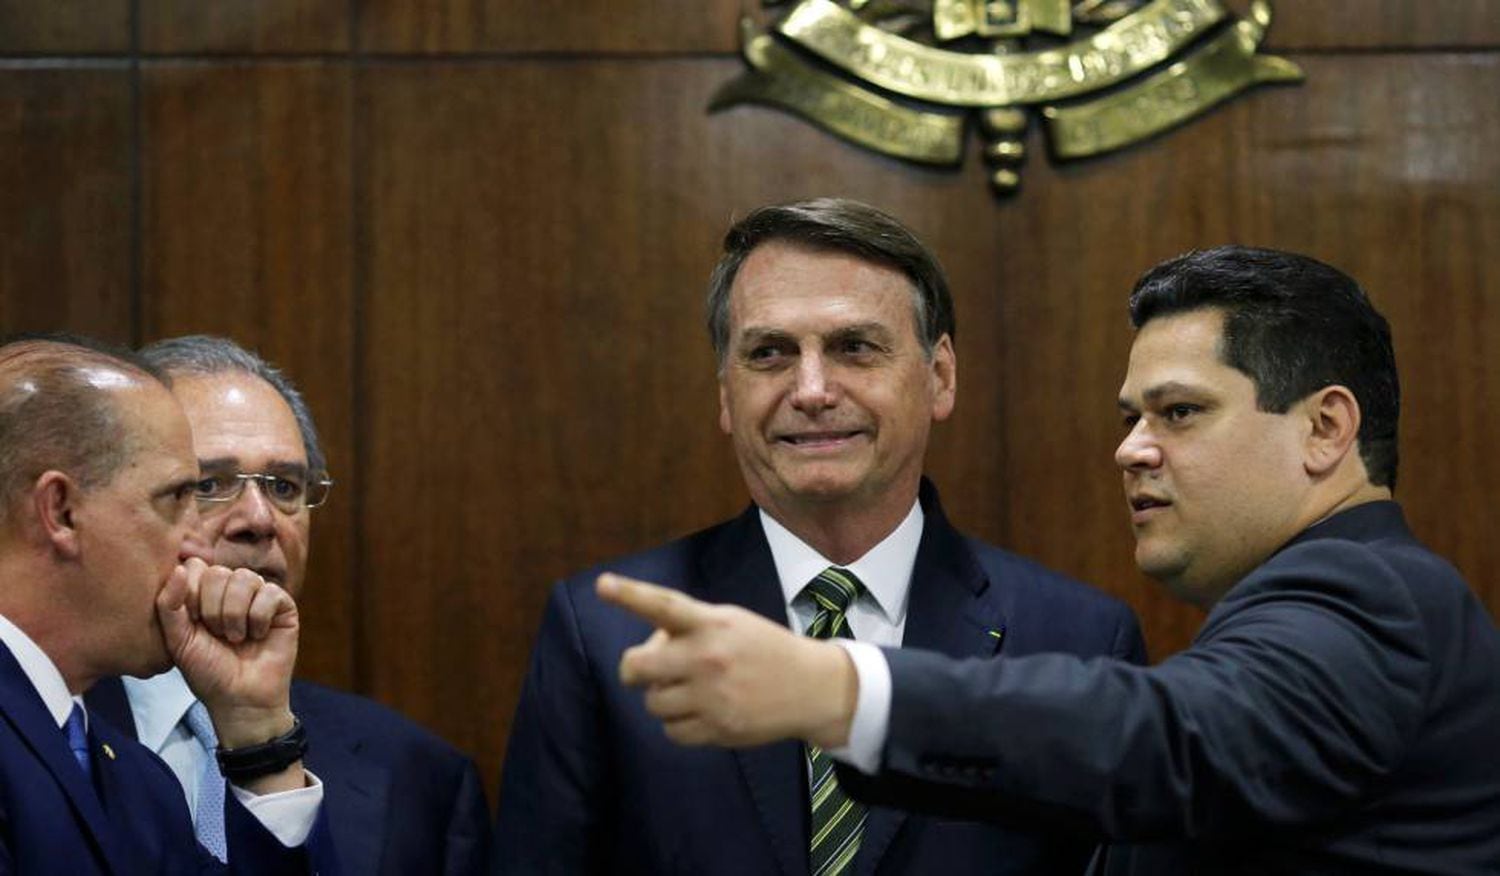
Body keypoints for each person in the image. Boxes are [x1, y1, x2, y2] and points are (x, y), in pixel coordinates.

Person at [600, 245, 1500, 873]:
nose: (1131, 450)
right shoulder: (1311, 607)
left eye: (1180, 413)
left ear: (1326, 429)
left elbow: (1169, 741)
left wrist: (840, 688)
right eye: (1131, 418)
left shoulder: (1371, 596)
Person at [494, 198, 1145, 875]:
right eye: (769, 353)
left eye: (854, 347)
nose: (810, 390)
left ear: (940, 377)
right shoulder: (605, 636)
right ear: (725, 394)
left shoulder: (1080, 641)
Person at [83, 335, 492, 875]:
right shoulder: (44, 726)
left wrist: (260, 737)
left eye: (284, 486)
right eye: (209, 483)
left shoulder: (419, 776)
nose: (260, 519)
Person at [0, 335, 325, 873]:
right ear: (61, 511)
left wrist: (258, 733)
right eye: (176, 499)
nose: (198, 546)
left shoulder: (137, 783)